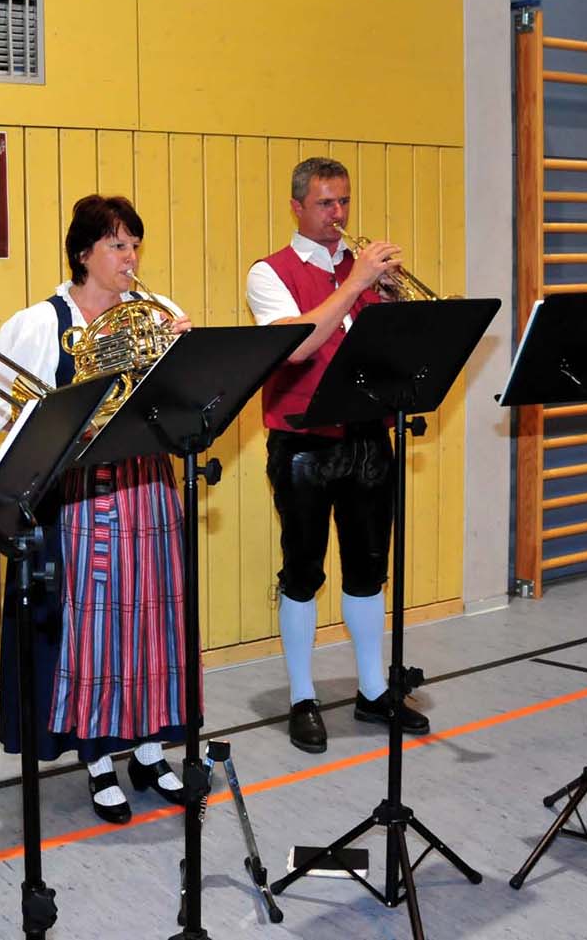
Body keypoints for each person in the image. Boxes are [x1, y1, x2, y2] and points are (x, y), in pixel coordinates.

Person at [0, 194, 195, 823]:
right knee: (92, 630)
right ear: (84, 254)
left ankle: (151, 749)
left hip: (147, 487)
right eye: (116, 245)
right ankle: (98, 756)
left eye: (134, 244)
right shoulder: (39, 324)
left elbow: (187, 404)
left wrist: (182, 359)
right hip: (77, 495)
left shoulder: (158, 314)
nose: (130, 257)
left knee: (153, 621)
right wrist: (50, 414)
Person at [245, 157, 431, 755]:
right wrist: (355, 286)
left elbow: (398, 348)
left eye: (344, 201)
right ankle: (302, 695)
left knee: (368, 568)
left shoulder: (366, 274)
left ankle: (373, 690)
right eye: (326, 203)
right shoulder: (267, 273)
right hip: (302, 442)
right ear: (297, 206)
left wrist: (397, 305)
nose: (339, 215)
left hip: (369, 437)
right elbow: (297, 345)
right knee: (302, 573)